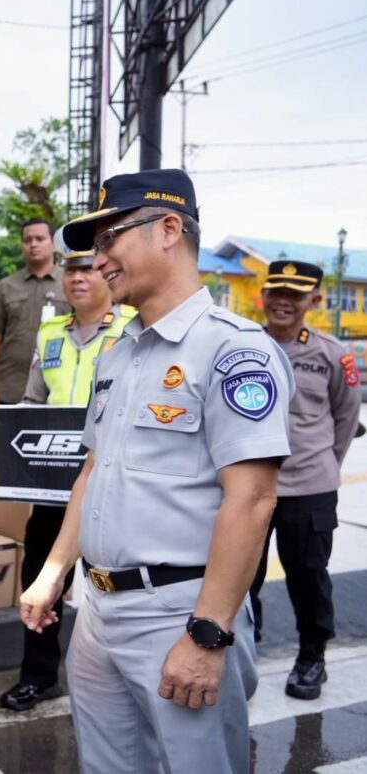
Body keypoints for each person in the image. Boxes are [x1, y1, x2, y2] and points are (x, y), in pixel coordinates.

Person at [19, 169, 293, 773]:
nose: (99, 260)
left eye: (109, 239)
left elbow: (252, 500)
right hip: (98, 608)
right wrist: (54, 571)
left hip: (178, 613)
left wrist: (207, 633)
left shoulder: (233, 350)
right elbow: (94, 470)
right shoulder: (120, 352)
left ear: (169, 229)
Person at [1, 249, 136, 712]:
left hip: (115, 488)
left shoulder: (133, 327)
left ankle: (118, 679)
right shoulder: (50, 332)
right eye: (70, 270)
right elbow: (33, 401)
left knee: (111, 583)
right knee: (41, 576)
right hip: (54, 487)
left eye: (88, 268)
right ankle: (39, 677)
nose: (77, 278)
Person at [249, 260, 359, 699]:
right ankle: (241, 653)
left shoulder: (332, 354)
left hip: (309, 487)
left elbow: (346, 418)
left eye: (294, 295)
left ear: (314, 300)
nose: (283, 302)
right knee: (239, 575)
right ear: (263, 296)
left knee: (309, 576)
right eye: (276, 292)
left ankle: (312, 658)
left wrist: (324, 465)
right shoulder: (243, 345)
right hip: (248, 487)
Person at [0, 218, 71, 416]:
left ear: (53, 244)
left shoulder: (70, 282)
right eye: (27, 240)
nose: (33, 244)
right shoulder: (6, 286)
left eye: (40, 238)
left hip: (59, 384)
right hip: (12, 386)